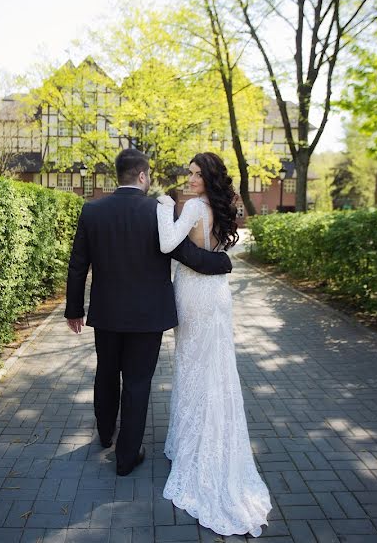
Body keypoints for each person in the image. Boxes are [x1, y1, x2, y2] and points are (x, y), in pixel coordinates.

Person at [64, 148, 233, 477]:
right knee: (138, 383)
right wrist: (222, 262)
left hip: (107, 313)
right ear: (142, 176)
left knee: (106, 372)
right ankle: (127, 457)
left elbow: (77, 265)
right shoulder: (158, 211)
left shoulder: (92, 210)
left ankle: (103, 434)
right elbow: (186, 254)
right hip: (149, 316)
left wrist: (74, 309)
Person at [156, 152, 271, 537]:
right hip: (218, 295)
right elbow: (224, 255)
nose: (189, 179)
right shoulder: (226, 209)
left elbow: (166, 243)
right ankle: (201, 435)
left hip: (192, 295)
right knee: (215, 368)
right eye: (188, 174)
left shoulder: (192, 210)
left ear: (208, 178)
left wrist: (163, 207)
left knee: (191, 368)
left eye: (195, 174)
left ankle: (194, 446)